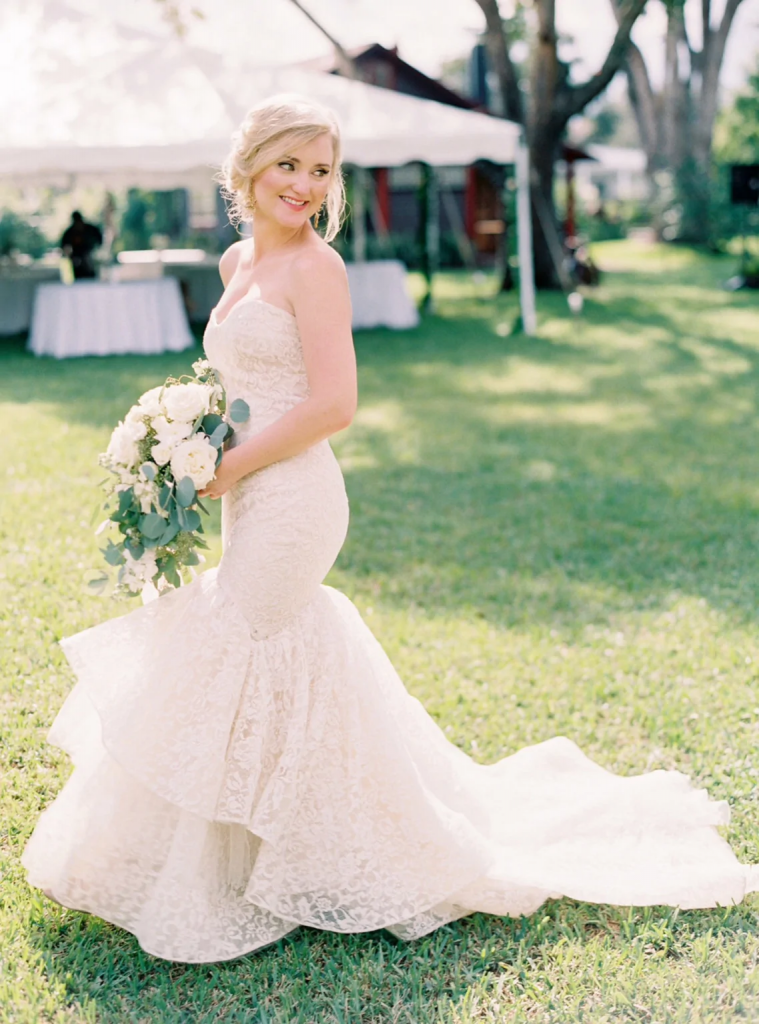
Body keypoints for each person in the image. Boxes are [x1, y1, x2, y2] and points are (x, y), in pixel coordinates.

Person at [23, 95, 757, 964]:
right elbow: (242, 383)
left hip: (294, 498)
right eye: (288, 165)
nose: (303, 185)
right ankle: (257, 848)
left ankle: (313, 857)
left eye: (321, 170)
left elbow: (334, 403)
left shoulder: (317, 269)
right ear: (249, 168)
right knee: (257, 647)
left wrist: (236, 465)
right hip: (247, 487)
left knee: (244, 641)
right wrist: (186, 446)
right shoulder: (235, 263)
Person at [60, 210, 103, 280]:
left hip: (90, 255)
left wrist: (97, 251)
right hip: (76, 258)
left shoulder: (90, 229)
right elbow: (64, 247)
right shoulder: (69, 233)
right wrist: (70, 256)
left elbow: (99, 239)